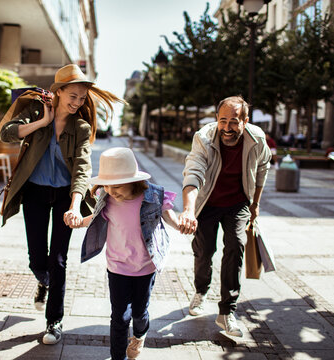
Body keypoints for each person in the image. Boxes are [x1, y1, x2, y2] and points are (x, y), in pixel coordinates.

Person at [0, 64, 124, 345]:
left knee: (58, 260)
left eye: (82, 98)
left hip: (66, 197)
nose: (78, 102)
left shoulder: (80, 127)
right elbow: (6, 133)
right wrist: (42, 123)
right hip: (34, 193)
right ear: (59, 91)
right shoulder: (35, 111)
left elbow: (82, 167)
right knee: (37, 259)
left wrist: (76, 204)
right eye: (73, 96)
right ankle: (43, 281)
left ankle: (54, 321)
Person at [178, 96, 271, 337]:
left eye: (234, 122)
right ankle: (201, 291)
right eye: (223, 121)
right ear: (216, 119)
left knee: (236, 246)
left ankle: (227, 310)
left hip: (238, 202)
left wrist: (256, 203)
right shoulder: (204, 138)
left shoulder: (257, 139)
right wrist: (189, 210)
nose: (227, 128)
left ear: (245, 121)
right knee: (204, 250)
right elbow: (193, 172)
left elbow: (263, 167)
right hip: (207, 202)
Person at [75, 147, 178, 360]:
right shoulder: (107, 198)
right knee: (120, 317)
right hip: (117, 266)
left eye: (117, 187)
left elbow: (170, 217)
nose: (112, 192)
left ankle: (140, 335)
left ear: (133, 181)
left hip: (145, 267)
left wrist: (183, 224)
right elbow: (93, 220)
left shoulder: (153, 195)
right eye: (107, 187)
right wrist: (77, 221)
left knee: (140, 313)